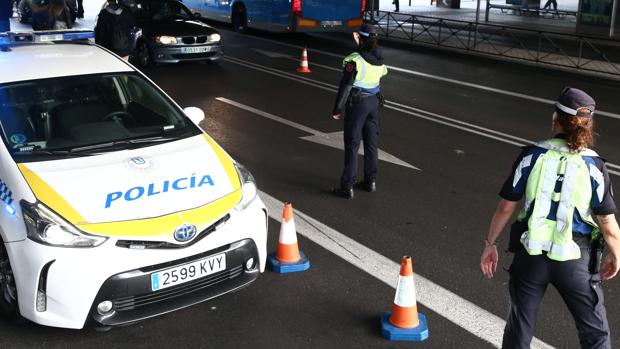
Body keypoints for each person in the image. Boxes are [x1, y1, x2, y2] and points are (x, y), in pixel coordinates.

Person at [480, 87, 619, 349]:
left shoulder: (532, 155)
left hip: (530, 256)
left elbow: (505, 208)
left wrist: (490, 244)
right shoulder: (595, 166)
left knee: (519, 327)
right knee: (595, 333)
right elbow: (608, 224)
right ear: (588, 125)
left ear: (555, 118)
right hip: (575, 261)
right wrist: (616, 254)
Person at [331, 23, 388, 199]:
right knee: (371, 144)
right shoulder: (379, 57)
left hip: (357, 105)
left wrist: (337, 108)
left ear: (360, 39)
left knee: (353, 144)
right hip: (373, 103)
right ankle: (370, 182)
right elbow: (377, 80)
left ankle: (347, 186)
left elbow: (346, 85)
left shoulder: (355, 60)